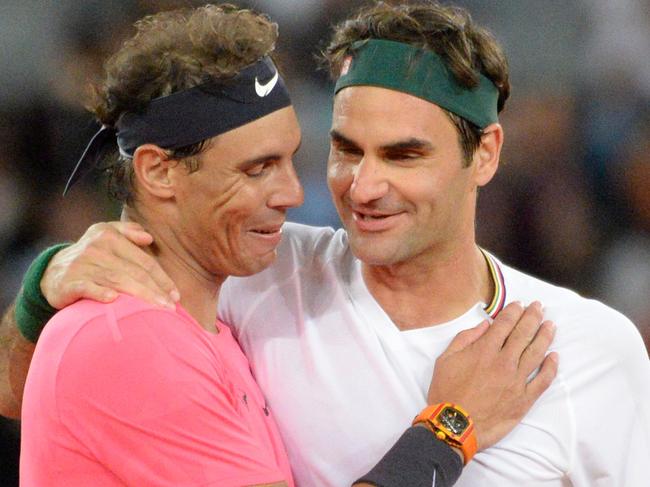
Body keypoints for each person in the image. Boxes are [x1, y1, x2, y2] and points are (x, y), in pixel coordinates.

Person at [1, 1, 592, 486]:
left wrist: (43, 285)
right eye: (257, 169)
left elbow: (13, 390)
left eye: (291, 159)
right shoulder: (130, 339)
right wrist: (450, 424)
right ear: (158, 172)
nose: (291, 193)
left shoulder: (208, 318)